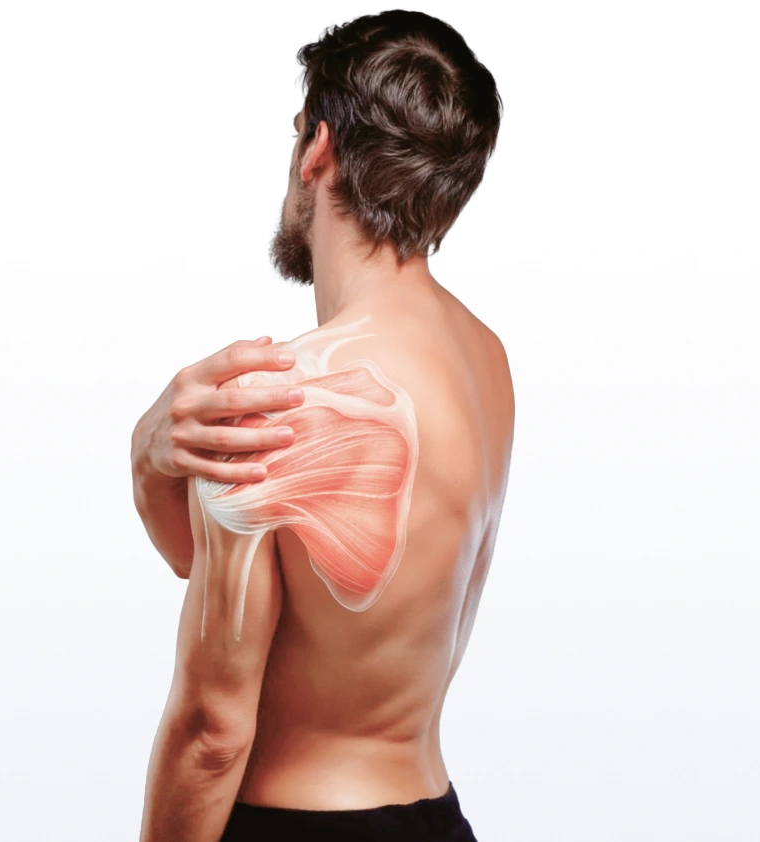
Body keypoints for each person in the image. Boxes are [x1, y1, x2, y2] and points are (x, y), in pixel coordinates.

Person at [132, 9, 511, 841]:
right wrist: (149, 459)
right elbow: (245, 582)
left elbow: (211, 730)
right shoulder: (485, 358)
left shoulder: (284, 397)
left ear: (318, 146)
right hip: (434, 816)